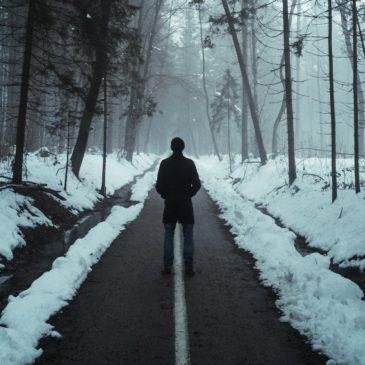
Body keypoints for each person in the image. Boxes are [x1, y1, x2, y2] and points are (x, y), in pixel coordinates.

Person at [156, 137, 201, 276]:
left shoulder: (165, 163)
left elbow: (159, 185)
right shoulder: (189, 164)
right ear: (183, 147)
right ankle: (189, 267)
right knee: (188, 235)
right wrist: (188, 194)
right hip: (185, 204)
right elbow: (197, 184)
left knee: (168, 235)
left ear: (171, 147)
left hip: (170, 204)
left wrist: (166, 195)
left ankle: (167, 266)